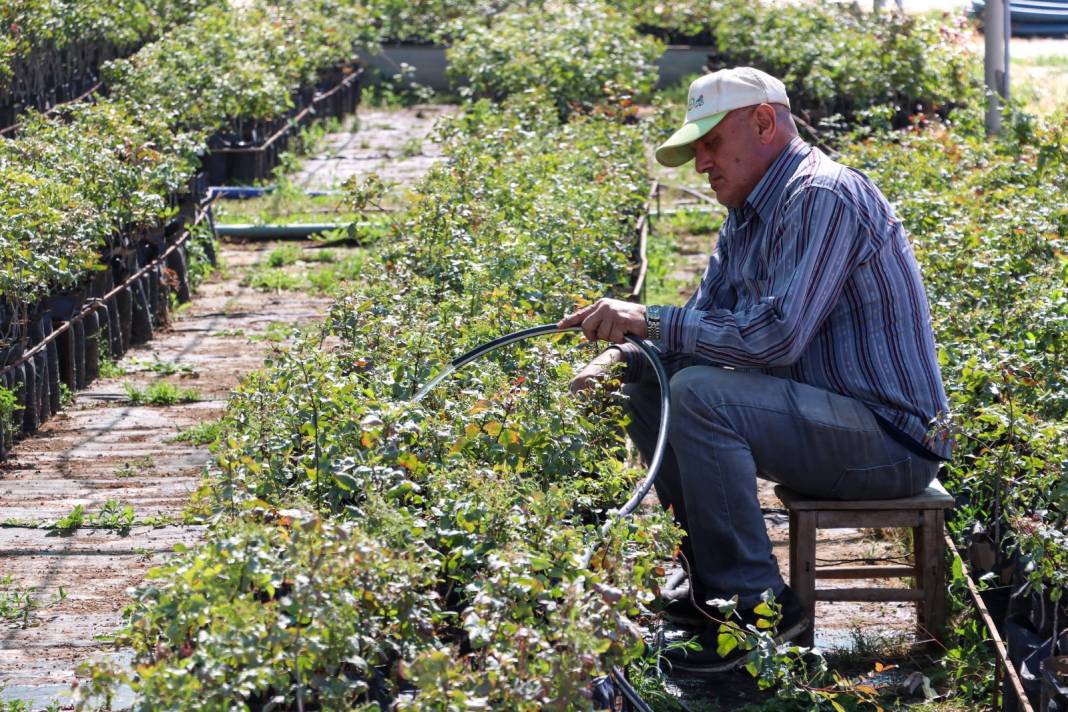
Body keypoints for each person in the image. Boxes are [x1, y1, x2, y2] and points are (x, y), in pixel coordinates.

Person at [559, 67, 952, 674]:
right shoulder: (747, 214)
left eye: (710, 144)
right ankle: (710, 589)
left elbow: (776, 338)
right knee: (654, 382)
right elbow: (701, 327)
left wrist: (646, 318)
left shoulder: (822, 197)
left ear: (763, 123)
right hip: (822, 418)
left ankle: (757, 610)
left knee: (698, 396)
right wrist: (618, 358)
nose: (700, 165)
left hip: (890, 439)